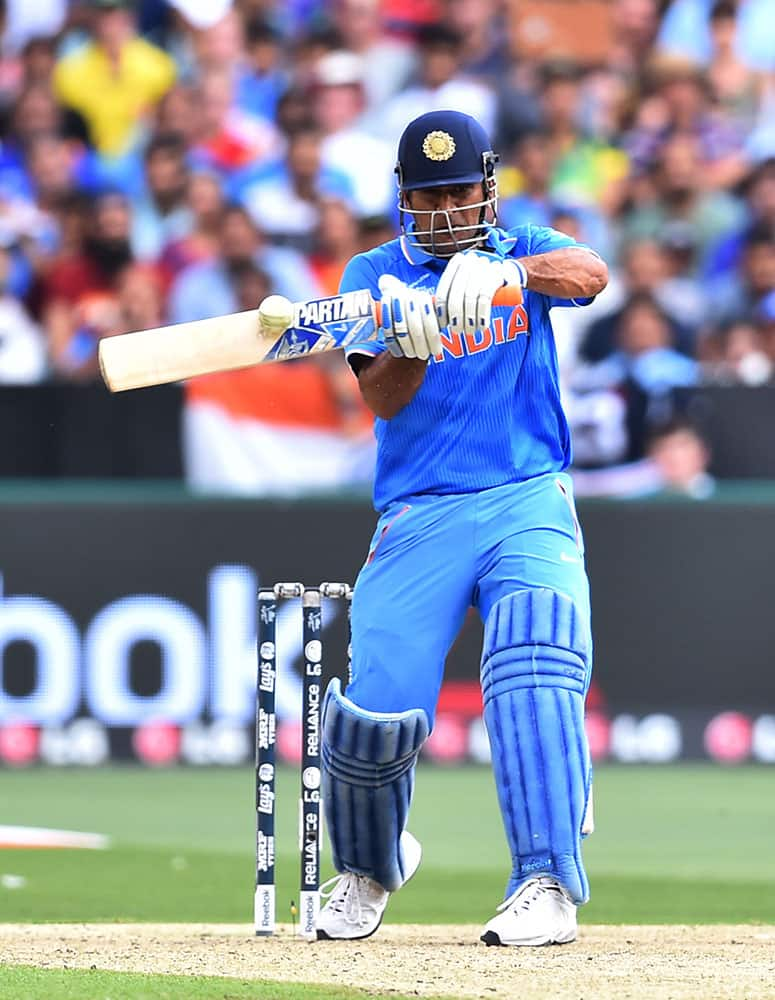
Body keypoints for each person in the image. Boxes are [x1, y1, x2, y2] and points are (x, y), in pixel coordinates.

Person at [313, 109, 608, 946]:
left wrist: (508, 279)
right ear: (404, 198)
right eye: (429, 196)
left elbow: (589, 275)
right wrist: (418, 333)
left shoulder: (524, 245)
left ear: (487, 187)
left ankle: (546, 880)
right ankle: (368, 866)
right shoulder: (373, 271)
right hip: (419, 513)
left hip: (525, 497)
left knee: (534, 658)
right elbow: (380, 398)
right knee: (373, 713)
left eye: (458, 192)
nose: (446, 212)